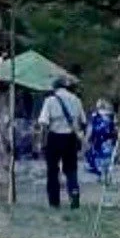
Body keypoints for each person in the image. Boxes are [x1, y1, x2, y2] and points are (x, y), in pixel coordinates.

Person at [37, 75, 86, 209]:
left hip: (54, 137)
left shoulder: (50, 101)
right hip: (70, 138)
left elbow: (44, 123)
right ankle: (74, 194)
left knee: (53, 170)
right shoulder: (76, 100)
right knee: (71, 169)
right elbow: (83, 121)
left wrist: (41, 142)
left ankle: (54, 200)